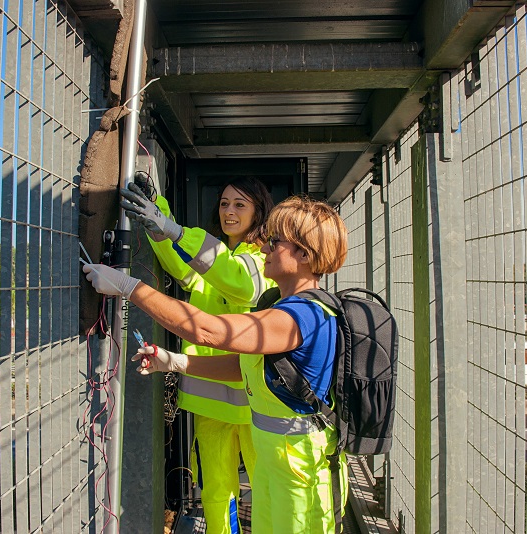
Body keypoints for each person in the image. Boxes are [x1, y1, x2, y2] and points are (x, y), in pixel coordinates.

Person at [83, 196, 349, 533]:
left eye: (275, 242)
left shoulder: (302, 316)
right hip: (279, 462)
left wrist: (128, 286)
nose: (265, 249)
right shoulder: (286, 307)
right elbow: (243, 367)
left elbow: (209, 330)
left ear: (305, 255)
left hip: (301, 471)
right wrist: (175, 361)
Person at [119, 176, 277, 534]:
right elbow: (180, 263)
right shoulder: (217, 259)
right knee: (217, 494)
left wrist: (173, 229)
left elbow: (238, 281)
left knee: (268, 491)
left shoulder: (262, 259)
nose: (229, 211)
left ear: (258, 211)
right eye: (224, 203)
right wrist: (158, 213)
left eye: (239, 204)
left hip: (255, 407)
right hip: (212, 403)